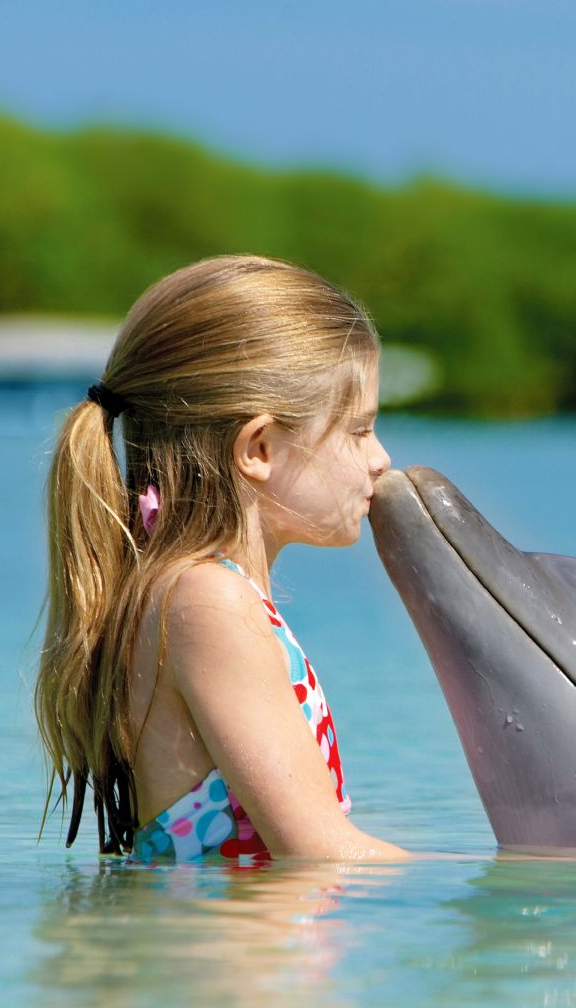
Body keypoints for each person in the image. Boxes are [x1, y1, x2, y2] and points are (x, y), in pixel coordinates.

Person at [34, 254, 408, 862]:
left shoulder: (192, 592)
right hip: (218, 956)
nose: (380, 459)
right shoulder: (208, 599)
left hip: (229, 953)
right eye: (359, 430)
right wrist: (525, 885)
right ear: (258, 447)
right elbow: (320, 853)